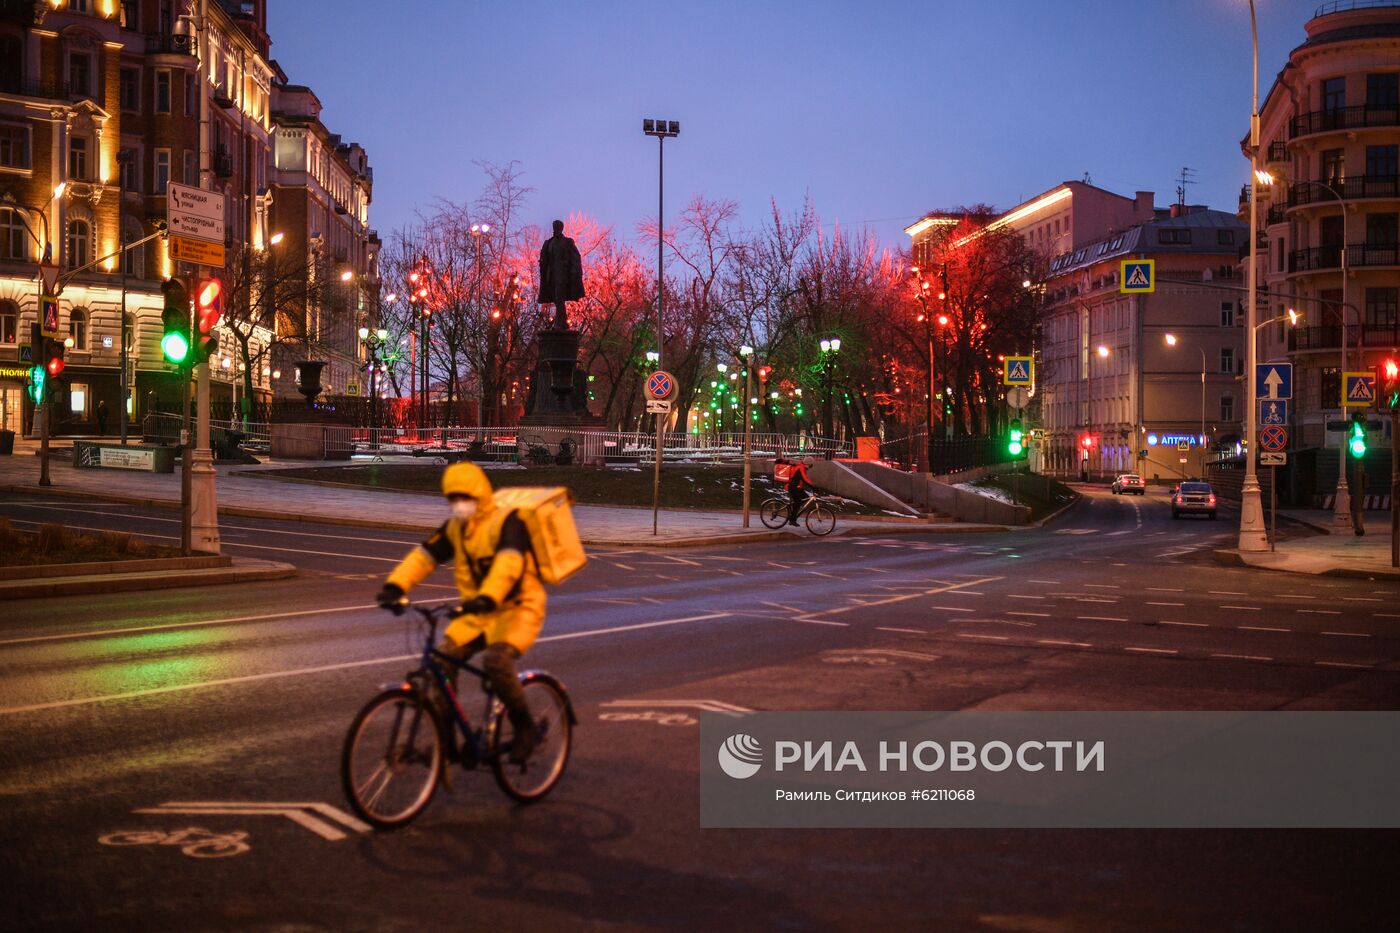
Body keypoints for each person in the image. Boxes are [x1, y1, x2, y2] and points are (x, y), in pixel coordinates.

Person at [376, 463, 545, 763]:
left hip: (516, 608)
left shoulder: (508, 521)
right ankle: (446, 744)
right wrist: (395, 586)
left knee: (496, 661)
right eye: (453, 498)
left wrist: (489, 597)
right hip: (478, 611)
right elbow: (425, 556)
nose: (458, 504)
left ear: (479, 494)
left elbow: (508, 565)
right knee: (441, 662)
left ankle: (525, 728)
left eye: (463, 497)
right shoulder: (456, 528)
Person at [536, 219, 585, 329]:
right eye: (554, 226)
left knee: (559, 298)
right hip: (551, 276)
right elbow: (544, 259)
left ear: (561, 228)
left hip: (563, 276)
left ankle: (559, 324)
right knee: (556, 299)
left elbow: (576, 257)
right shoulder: (548, 243)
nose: (555, 229)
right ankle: (562, 322)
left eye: (557, 227)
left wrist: (574, 272)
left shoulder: (567, 242)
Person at [786, 458, 814, 526]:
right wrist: (813, 487)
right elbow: (804, 479)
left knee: (806, 498)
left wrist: (812, 486)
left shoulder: (802, 468)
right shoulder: (800, 468)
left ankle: (793, 506)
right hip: (793, 487)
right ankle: (792, 520)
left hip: (797, 487)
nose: (811, 466)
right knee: (798, 502)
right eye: (811, 464)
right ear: (808, 464)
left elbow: (806, 478)